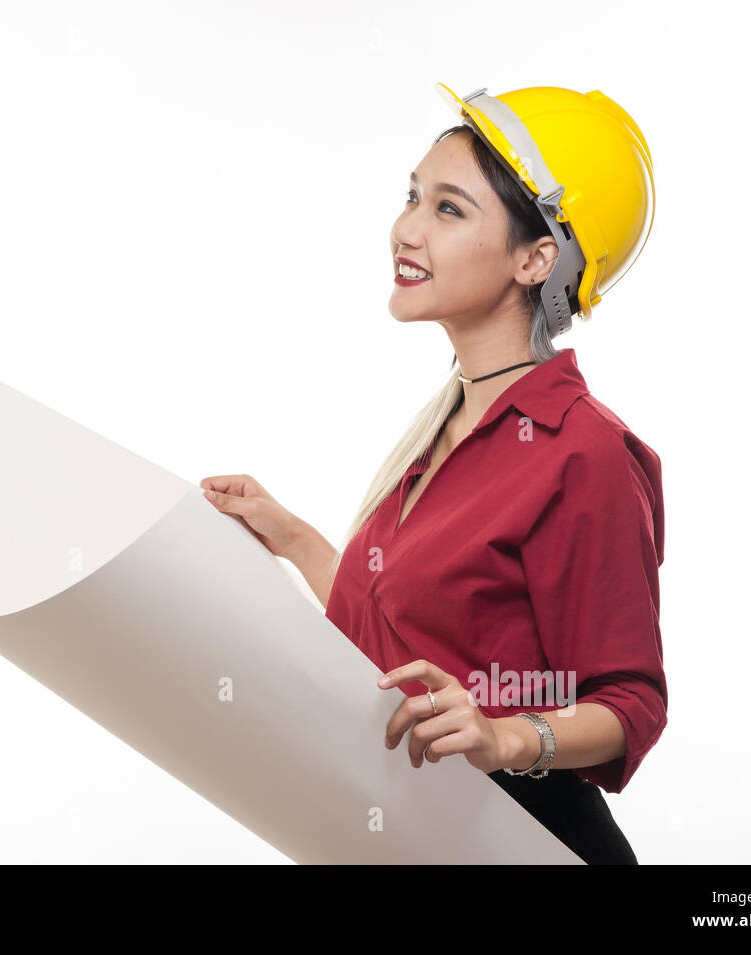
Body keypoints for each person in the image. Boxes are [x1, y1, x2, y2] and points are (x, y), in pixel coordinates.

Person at [200, 83, 665, 865]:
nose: (405, 229)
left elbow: (632, 701)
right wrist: (296, 539)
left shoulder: (583, 452)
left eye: (449, 209)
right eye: (412, 196)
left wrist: (507, 733)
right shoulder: (448, 424)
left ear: (536, 256)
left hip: (532, 844)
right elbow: (406, 640)